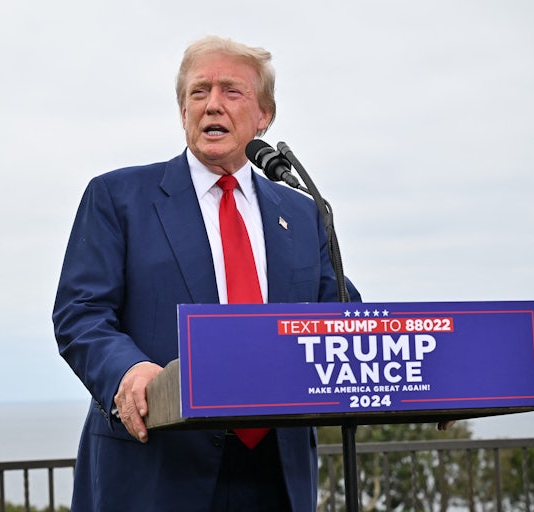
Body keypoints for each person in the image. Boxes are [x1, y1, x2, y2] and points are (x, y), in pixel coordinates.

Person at [52, 35, 361, 512]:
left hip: (276, 474)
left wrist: (433, 388)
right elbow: (81, 314)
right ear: (183, 109)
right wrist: (128, 372)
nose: (212, 104)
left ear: (264, 116)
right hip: (157, 467)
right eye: (199, 92)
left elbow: (346, 322)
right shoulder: (118, 198)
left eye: (231, 91)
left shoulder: (304, 213)